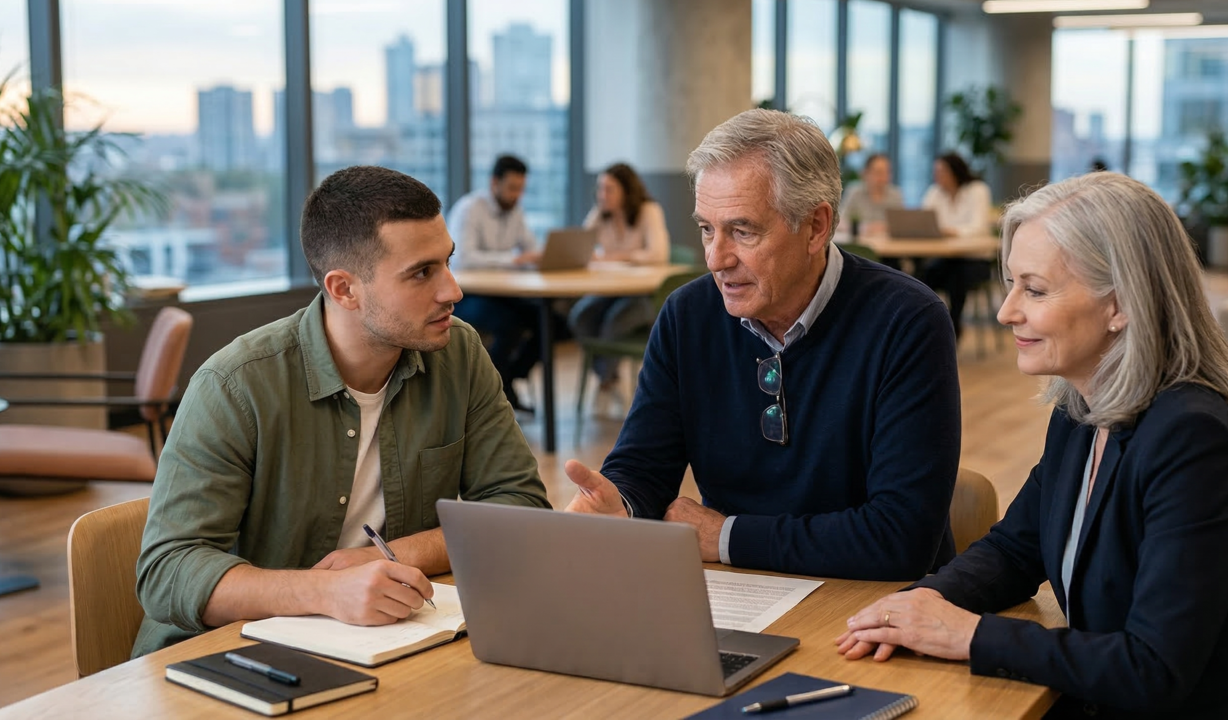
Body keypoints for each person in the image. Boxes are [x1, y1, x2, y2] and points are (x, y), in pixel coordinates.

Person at [837, 173, 1228, 719]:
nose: (1007, 311)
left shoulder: (1193, 440)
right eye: (1011, 284)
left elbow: (1154, 668)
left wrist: (968, 634)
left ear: (1120, 304)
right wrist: (920, 602)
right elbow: (1014, 551)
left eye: (1035, 289)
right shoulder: (1080, 412)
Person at [134, 166, 550, 656]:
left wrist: (388, 557)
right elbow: (167, 571)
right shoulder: (235, 385)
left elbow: (521, 507)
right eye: (422, 272)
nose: (452, 291)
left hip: (385, 640)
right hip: (227, 654)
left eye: (447, 262)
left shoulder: (458, 354)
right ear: (344, 289)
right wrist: (327, 592)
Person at [561, 109, 961, 580]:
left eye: (742, 231)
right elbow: (644, 466)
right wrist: (620, 507)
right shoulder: (687, 315)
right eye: (707, 229)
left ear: (816, 227)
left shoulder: (907, 320)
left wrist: (726, 536)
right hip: (742, 588)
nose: (715, 259)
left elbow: (901, 538)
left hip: (878, 601)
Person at [569, 163, 671, 415]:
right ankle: (611, 377)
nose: (602, 195)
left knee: (614, 322)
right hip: (611, 292)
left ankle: (604, 384)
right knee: (580, 316)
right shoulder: (600, 213)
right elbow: (581, 247)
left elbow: (659, 254)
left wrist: (616, 256)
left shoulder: (649, 211)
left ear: (626, 191)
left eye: (609, 189)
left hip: (645, 295)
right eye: (600, 189)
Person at [447, 154, 543, 412]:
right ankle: (490, 394)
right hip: (465, 295)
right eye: (512, 188)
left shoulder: (515, 211)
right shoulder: (469, 209)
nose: (516, 195)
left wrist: (537, 257)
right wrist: (512, 260)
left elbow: (530, 248)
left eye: (520, 189)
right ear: (494, 183)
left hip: (501, 294)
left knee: (548, 322)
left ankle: (508, 378)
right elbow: (462, 258)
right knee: (510, 326)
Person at [920, 152, 995, 339]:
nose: (938, 177)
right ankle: (924, 325)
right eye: (936, 172)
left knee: (957, 278)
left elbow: (979, 227)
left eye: (942, 172)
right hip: (946, 258)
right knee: (922, 277)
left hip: (976, 260)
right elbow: (924, 221)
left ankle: (953, 327)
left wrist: (952, 231)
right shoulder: (935, 193)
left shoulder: (977, 190)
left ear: (956, 171)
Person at [837, 153, 903, 238]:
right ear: (866, 173)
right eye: (879, 172)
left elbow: (901, 225)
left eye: (887, 172)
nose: (884, 177)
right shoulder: (855, 192)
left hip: (889, 243)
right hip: (861, 242)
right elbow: (840, 222)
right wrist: (865, 227)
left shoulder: (895, 195)